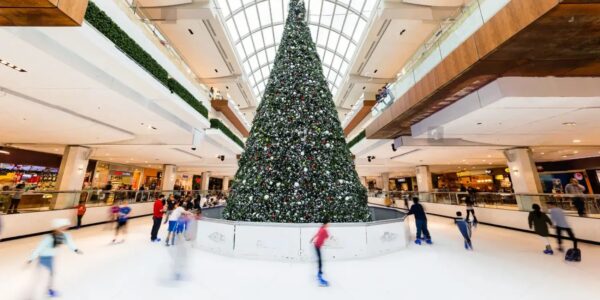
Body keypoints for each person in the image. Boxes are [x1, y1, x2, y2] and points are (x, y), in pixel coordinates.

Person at [28, 219, 82, 298]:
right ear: (57, 227)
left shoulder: (65, 235)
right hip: (44, 257)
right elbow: (39, 248)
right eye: (63, 227)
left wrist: (75, 249)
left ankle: (48, 290)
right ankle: (48, 291)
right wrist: (31, 258)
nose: (65, 228)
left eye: (66, 227)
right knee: (48, 275)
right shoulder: (49, 237)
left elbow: (70, 242)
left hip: (51, 257)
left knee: (50, 274)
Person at [310, 219, 329, 287]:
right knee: (320, 260)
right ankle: (320, 274)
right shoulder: (324, 230)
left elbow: (318, 234)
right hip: (317, 246)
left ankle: (320, 272)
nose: (328, 225)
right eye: (327, 224)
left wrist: (313, 238)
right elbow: (327, 236)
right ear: (325, 224)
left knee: (319, 260)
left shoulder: (321, 228)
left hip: (317, 245)